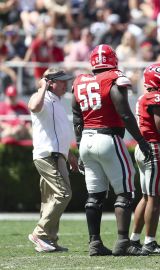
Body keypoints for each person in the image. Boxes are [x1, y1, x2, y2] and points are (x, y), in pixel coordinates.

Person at [72, 44, 153, 256]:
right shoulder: (114, 77)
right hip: (108, 138)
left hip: (87, 140)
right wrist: (141, 141)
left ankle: (95, 243)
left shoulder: (79, 81)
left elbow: (76, 116)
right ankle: (123, 241)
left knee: (95, 195)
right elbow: (124, 114)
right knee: (125, 192)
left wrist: (80, 144)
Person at [27, 68, 78, 252]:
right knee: (64, 194)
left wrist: (69, 155)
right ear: (50, 82)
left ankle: (50, 240)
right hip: (46, 156)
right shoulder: (40, 97)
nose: (66, 84)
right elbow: (33, 107)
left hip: (58, 156)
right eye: (61, 81)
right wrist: (42, 87)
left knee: (50, 199)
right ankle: (39, 233)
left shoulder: (58, 102)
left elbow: (60, 134)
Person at [129, 63, 160, 254]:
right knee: (155, 199)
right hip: (155, 148)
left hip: (143, 148)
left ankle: (134, 239)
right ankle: (150, 242)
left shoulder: (144, 96)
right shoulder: (157, 97)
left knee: (147, 197)